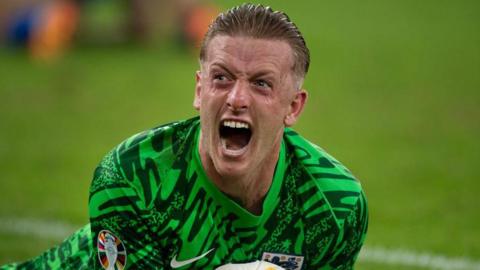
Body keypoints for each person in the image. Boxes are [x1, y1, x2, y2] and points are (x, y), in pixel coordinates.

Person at [1, 4, 368, 270]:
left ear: (294, 107)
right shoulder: (133, 177)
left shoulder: (335, 206)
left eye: (261, 84)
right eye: (221, 78)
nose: (237, 99)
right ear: (199, 89)